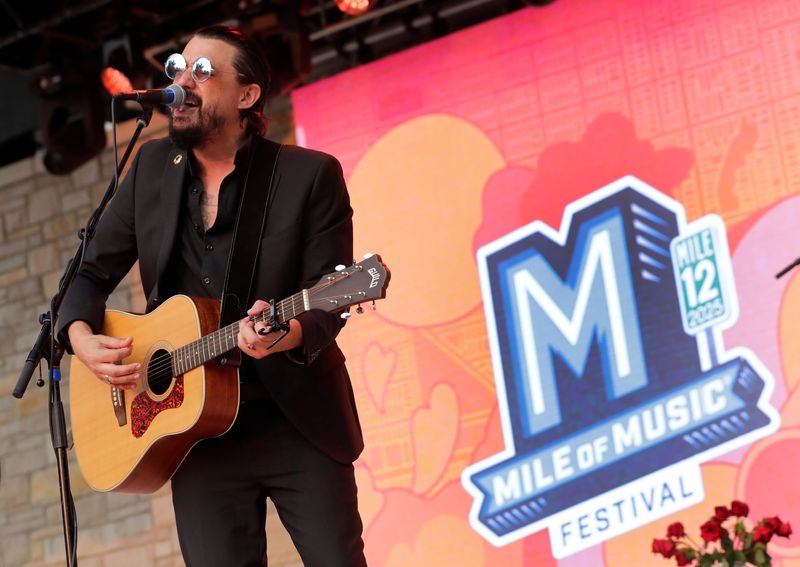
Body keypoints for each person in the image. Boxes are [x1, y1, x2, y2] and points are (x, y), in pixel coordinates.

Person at [57, 24, 367, 567]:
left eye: (203, 71)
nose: (182, 80)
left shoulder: (308, 175)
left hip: (292, 420)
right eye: (178, 66)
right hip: (194, 434)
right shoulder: (151, 168)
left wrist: (282, 333)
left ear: (246, 97)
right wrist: (80, 337)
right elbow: (86, 275)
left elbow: (328, 296)